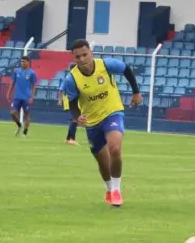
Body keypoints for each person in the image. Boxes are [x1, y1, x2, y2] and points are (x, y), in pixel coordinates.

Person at [60, 39, 142, 206]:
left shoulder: (105, 65)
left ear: (91, 52)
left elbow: (126, 69)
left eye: (85, 54)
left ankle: (117, 190)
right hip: (92, 121)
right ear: (73, 58)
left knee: (115, 148)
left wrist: (136, 93)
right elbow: (73, 102)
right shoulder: (71, 79)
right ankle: (108, 188)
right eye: (78, 57)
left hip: (113, 112)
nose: (82, 59)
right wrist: (78, 117)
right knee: (102, 161)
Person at [6, 55, 37, 137]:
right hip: (17, 97)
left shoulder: (32, 73)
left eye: (24, 61)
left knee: (27, 114)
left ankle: (25, 132)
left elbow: (34, 86)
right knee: (12, 113)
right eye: (21, 61)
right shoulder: (16, 71)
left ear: (28, 62)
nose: (22, 63)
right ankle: (19, 125)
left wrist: (32, 97)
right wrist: (9, 93)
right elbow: (12, 83)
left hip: (26, 97)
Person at [58, 67, 78, 145]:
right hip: (70, 100)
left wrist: (60, 100)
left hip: (70, 100)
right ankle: (72, 139)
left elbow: (60, 89)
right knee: (74, 120)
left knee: (73, 120)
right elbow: (60, 90)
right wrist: (60, 99)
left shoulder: (68, 77)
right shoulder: (70, 78)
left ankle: (68, 139)